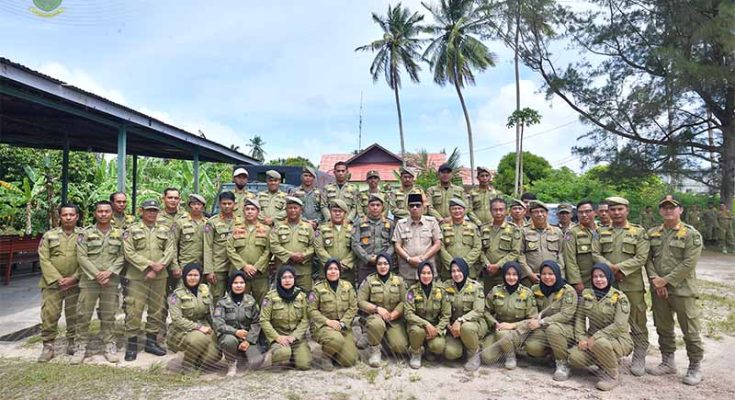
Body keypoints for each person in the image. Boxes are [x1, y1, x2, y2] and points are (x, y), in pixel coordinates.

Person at [645, 195, 704, 385]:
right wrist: (656, 281)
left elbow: (689, 263)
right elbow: (647, 259)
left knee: (690, 330)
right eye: (664, 207)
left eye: (672, 207)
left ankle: (695, 366)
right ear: (660, 210)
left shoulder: (691, 234)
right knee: (663, 327)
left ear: (681, 210)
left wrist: (665, 281)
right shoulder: (653, 233)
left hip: (683, 290)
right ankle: (667, 361)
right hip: (659, 290)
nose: (668, 210)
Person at [592, 196, 650, 376]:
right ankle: (610, 353)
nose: (616, 213)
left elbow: (641, 257)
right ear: (608, 211)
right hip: (608, 285)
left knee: (637, 320)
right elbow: (595, 253)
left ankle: (639, 354)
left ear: (627, 210)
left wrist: (620, 269)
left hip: (631, 284)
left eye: (620, 209)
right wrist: (611, 269)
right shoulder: (601, 232)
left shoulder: (638, 232)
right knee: (608, 319)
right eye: (613, 209)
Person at [122, 199, 175, 361]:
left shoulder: (165, 230)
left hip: (160, 276)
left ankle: (151, 342)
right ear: (142, 211)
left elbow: (170, 250)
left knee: (156, 309)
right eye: (148, 210)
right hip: (138, 276)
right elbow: (128, 252)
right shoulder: (131, 230)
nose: (152, 213)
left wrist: (161, 265)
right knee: (134, 309)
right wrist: (149, 265)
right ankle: (132, 344)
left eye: (154, 210)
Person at [73, 201, 125, 364]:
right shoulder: (85, 233)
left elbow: (123, 255)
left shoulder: (120, 234)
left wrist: (109, 272)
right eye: (100, 211)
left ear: (111, 213)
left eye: (106, 211)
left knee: (109, 314)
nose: (103, 214)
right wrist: (97, 275)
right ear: (95, 213)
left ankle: (109, 345)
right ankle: (80, 347)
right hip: (89, 280)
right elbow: (82, 256)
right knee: (83, 314)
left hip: (111, 280)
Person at [569, 263, 633, 391]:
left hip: (618, 339)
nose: (598, 280)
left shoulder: (620, 298)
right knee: (574, 357)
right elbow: (580, 319)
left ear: (609, 277)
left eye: (602, 276)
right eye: (595, 277)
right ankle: (603, 363)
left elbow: (619, 325)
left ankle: (612, 375)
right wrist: (581, 338)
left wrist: (596, 337)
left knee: (600, 343)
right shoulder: (587, 295)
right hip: (592, 339)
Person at [37, 203, 82, 363]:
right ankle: (48, 346)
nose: (68, 217)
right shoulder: (49, 236)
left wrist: (74, 278)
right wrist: (58, 278)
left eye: (72, 215)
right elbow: (44, 258)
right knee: (50, 314)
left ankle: (73, 343)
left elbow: (87, 259)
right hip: (52, 284)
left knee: (74, 314)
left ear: (77, 216)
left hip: (75, 283)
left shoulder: (84, 236)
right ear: (60, 217)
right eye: (65, 215)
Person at [524, 260, 577, 381]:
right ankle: (552, 354)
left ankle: (563, 364)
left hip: (564, 330)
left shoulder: (567, 291)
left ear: (557, 274)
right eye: (544, 274)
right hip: (543, 329)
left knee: (553, 330)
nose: (547, 277)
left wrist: (542, 322)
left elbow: (566, 315)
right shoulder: (535, 288)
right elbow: (532, 310)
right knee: (532, 347)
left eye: (551, 274)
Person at [481, 261, 537, 369]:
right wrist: (494, 323)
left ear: (519, 276)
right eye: (508, 274)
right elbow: (486, 311)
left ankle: (510, 356)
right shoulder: (496, 290)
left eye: (514, 274)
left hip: (518, 332)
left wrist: (512, 326)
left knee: (503, 334)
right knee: (487, 358)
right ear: (503, 275)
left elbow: (532, 319)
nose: (511, 277)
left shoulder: (527, 293)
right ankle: (506, 347)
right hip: (499, 328)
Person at [167, 263, 221, 372]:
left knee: (216, 354)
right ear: (184, 276)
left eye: (196, 275)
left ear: (200, 277)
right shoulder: (176, 295)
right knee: (199, 338)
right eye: (190, 275)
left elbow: (210, 312)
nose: (193, 278)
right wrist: (198, 327)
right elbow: (177, 320)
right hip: (182, 330)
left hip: (204, 326)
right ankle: (187, 365)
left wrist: (216, 329)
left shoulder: (205, 290)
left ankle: (196, 361)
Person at [357, 253, 409, 367]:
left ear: (390, 265)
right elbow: (360, 301)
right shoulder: (369, 280)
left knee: (400, 346)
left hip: (393, 319)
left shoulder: (399, 281)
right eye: (379, 264)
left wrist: (395, 313)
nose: (383, 266)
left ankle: (383, 342)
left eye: (385, 263)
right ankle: (375, 350)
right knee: (376, 324)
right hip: (376, 317)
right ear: (376, 266)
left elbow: (405, 301)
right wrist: (377, 309)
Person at [307, 259, 359, 370]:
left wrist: (342, 323)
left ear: (340, 271)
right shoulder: (317, 288)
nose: (333, 271)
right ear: (325, 271)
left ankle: (335, 351)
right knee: (336, 340)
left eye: (336, 269)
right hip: (324, 326)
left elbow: (353, 307)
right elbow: (311, 310)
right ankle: (326, 356)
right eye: (330, 269)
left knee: (348, 361)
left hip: (343, 326)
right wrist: (328, 322)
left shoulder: (348, 286)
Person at [213, 269, 264, 377]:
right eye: (235, 283)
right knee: (229, 341)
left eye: (241, 282)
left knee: (257, 361)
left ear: (245, 284)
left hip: (246, 337)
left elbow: (256, 322)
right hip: (229, 336)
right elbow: (218, 324)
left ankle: (242, 356)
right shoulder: (222, 303)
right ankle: (231, 363)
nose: (239, 285)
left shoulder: (250, 301)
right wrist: (235, 332)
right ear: (230, 284)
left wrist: (248, 340)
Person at [260, 266, 312, 370]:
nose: (287, 280)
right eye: (284, 277)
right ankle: (277, 356)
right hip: (279, 336)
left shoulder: (301, 296)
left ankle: (295, 355)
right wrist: (277, 337)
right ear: (279, 280)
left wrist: (295, 336)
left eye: (290, 277)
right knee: (283, 353)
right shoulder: (271, 297)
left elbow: (306, 319)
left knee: (304, 365)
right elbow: (264, 320)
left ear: (294, 279)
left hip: (297, 338)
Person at [443, 257, 487, 371]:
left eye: (459, 270)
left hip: (473, 324)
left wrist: (460, 320)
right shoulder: (445, 286)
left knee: (466, 327)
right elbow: (442, 310)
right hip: (453, 328)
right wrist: (449, 325)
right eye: (453, 271)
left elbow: (478, 310)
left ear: (465, 270)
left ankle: (474, 354)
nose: (456, 274)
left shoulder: (476, 287)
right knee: (450, 353)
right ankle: (464, 348)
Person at [404, 262, 451, 369]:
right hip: (417, 326)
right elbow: (408, 314)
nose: (426, 276)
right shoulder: (412, 291)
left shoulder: (441, 290)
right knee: (417, 331)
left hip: (434, 327)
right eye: (423, 273)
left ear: (433, 274)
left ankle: (428, 350)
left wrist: (437, 330)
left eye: (429, 273)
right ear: (419, 274)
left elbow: (446, 314)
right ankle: (416, 353)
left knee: (438, 346)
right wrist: (425, 324)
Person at [226, 198, 272, 304]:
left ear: (258, 212)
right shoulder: (235, 229)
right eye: (247, 209)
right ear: (243, 211)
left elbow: (268, 250)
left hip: (260, 275)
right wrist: (244, 266)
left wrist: (256, 267)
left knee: (262, 303)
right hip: (240, 275)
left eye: (252, 209)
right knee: (239, 303)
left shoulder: (266, 230)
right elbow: (230, 249)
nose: (250, 212)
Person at [393, 193, 442, 287]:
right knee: (408, 295)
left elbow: (437, 244)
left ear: (423, 207)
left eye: (418, 205)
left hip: (427, 270)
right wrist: (409, 259)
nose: (415, 208)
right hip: (407, 271)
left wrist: (423, 259)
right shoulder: (401, 224)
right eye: (412, 206)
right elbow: (397, 246)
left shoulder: (431, 222)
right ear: (408, 208)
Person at [270, 197, 316, 292]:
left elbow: (313, 246)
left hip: (303, 271)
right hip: (283, 270)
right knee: (281, 296)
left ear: (301, 210)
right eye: (290, 208)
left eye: (295, 208)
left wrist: (303, 255)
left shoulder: (308, 227)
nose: (293, 210)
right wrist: (290, 255)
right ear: (286, 210)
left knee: (305, 296)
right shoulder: (278, 226)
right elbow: (274, 245)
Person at [479, 198, 521, 294]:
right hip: (487, 272)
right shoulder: (483, 228)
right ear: (491, 211)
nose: (498, 213)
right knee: (488, 297)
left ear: (506, 211)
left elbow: (515, 252)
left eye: (501, 210)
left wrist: (498, 266)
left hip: (505, 273)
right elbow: (479, 250)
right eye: (495, 210)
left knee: (503, 297)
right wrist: (487, 265)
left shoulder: (514, 229)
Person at [352, 193, 395, 285]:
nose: (375, 208)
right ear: (368, 207)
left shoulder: (389, 223)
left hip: (384, 265)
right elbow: (355, 243)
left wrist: (384, 257)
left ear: (382, 207)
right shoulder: (359, 223)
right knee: (364, 289)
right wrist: (367, 258)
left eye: (378, 205)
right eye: (372, 205)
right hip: (365, 265)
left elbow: (393, 244)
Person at [204, 191, 240, 300]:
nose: (227, 206)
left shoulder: (240, 222)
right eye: (224, 204)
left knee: (236, 298)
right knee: (217, 298)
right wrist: (209, 271)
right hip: (218, 267)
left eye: (229, 203)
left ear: (234, 204)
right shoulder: (212, 222)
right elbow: (207, 247)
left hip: (235, 266)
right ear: (219, 204)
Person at [519, 201, 564, 286]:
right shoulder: (523, 231)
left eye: (542, 211)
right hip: (530, 278)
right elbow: (520, 254)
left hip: (553, 277)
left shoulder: (557, 231)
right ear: (530, 214)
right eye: (536, 212)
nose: (539, 214)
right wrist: (529, 274)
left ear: (547, 213)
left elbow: (561, 254)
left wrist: (557, 272)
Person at [437, 198, 483, 281]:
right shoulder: (443, 228)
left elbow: (477, 247)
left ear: (464, 210)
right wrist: (452, 264)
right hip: (448, 271)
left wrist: (464, 264)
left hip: (468, 270)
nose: (457, 211)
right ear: (449, 211)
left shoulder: (473, 227)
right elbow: (441, 248)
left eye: (459, 208)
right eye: (454, 209)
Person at [314, 200, 356, 284]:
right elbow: (319, 248)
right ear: (330, 212)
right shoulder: (322, 229)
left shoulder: (352, 229)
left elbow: (355, 249)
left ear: (345, 213)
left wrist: (345, 263)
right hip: (327, 272)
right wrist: (332, 264)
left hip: (346, 272)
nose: (337, 213)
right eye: (334, 211)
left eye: (340, 211)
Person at [563, 200, 598, 294]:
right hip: (584, 280)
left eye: (588, 211)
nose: (584, 215)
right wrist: (576, 281)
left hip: (602, 279)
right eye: (580, 212)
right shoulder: (572, 233)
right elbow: (570, 259)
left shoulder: (602, 230)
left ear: (595, 212)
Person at [174, 194, 207, 281]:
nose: (196, 207)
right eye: (193, 204)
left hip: (202, 265)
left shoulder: (207, 223)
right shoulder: (180, 222)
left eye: (199, 204)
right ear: (189, 206)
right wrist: (175, 266)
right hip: (185, 264)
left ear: (203, 207)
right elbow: (172, 246)